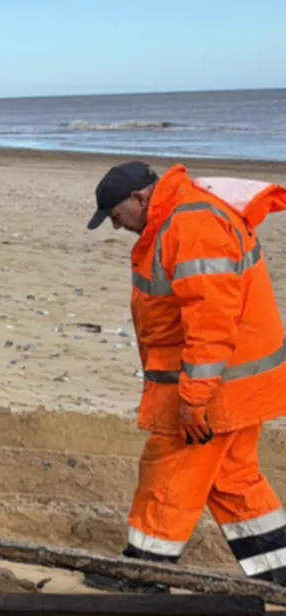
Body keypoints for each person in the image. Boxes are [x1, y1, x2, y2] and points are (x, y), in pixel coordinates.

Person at [87, 160, 286, 586]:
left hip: (216, 388)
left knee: (169, 471)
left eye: (117, 218)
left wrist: (195, 398)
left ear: (139, 198)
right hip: (235, 384)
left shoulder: (191, 226)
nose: (118, 229)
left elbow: (212, 323)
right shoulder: (184, 216)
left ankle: (143, 572)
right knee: (235, 481)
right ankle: (280, 576)